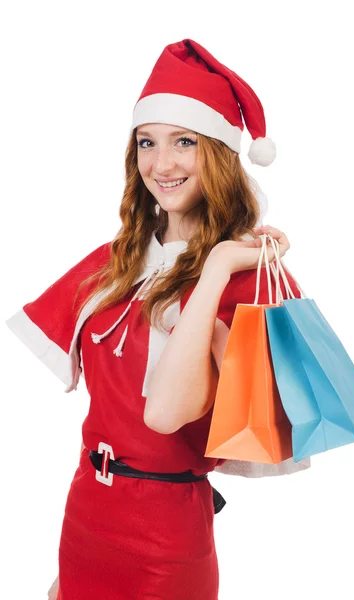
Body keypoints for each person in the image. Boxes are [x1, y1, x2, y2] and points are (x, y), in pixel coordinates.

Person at [6, 38, 310, 600]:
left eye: (184, 142)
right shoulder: (114, 262)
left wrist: (216, 267)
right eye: (147, 142)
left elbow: (170, 416)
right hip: (86, 518)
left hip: (168, 535)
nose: (160, 164)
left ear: (218, 153)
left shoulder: (251, 281)